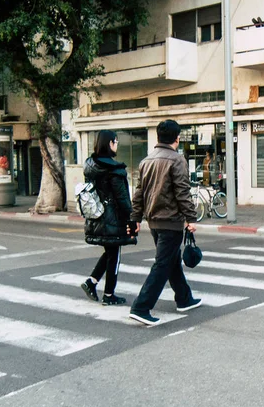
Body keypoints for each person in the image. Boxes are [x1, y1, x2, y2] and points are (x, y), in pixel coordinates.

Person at [128, 119, 202, 325]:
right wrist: (190, 218)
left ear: (159, 137)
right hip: (170, 221)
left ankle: (184, 298)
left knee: (171, 260)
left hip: (154, 221)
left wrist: (135, 218)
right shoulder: (176, 160)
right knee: (163, 263)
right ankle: (141, 307)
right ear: (177, 138)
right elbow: (182, 192)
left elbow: (139, 193)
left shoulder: (146, 161)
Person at [81, 130, 134, 305]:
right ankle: (109, 295)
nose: (117, 145)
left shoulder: (91, 166)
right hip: (113, 219)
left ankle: (92, 282)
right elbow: (122, 198)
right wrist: (132, 219)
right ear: (110, 143)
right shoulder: (114, 170)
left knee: (110, 251)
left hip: (97, 216)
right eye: (116, 141)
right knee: (114, 255)